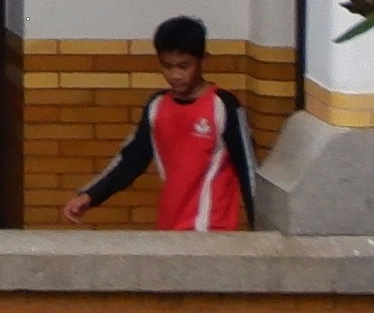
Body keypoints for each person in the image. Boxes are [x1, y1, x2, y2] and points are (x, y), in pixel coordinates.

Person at [69, 15, 265, 231]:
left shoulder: (224, 106)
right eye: (167, 66)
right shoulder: (156, 107)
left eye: (184, 66)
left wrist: (260, 229)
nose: (176, 75)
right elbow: (130, 160)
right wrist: (90, 195)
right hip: (170, 229)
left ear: (203, 60)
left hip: (212, 232)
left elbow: (249, 171)